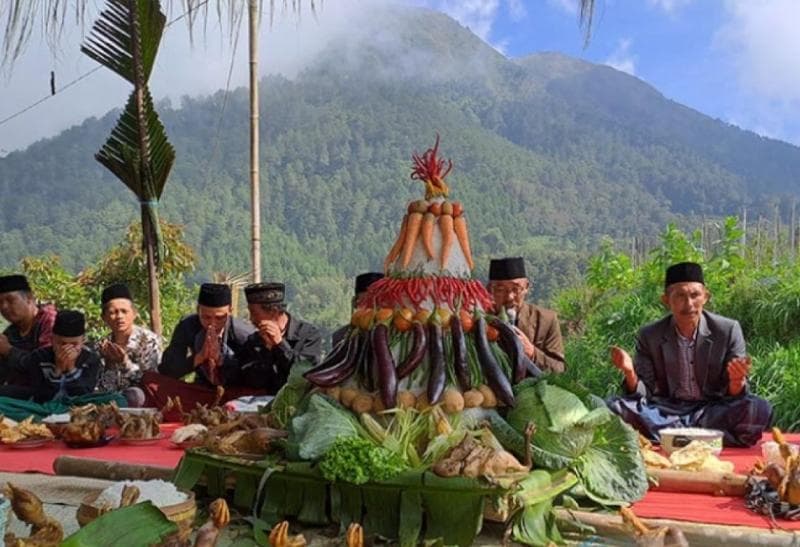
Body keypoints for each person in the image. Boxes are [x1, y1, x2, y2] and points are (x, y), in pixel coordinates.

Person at [607, 262, 773, 447]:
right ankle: (710, 438)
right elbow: (645, 392)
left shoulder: (727, 330)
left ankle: (671, 437)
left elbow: (734, 396)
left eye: (695, 295)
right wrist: (630, 373)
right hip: (666, 410)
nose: (689, 304)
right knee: (614, 407)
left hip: (710, 410)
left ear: (706, 297)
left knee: (757, 408)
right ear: (666, 299)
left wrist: (736, 382)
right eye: (680, 296)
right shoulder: (650, 335)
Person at [142, 283, 257, 414]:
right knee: (149, 380)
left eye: (220, 318)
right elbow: (167, 370)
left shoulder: (243, 334)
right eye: (206, 317)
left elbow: (252, 376)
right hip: (201, 392)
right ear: (198, 310)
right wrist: (198, 358)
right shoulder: (187, 326)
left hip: (233, 393)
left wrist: (221, 360)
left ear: (230, 311)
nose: (212, 323)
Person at [239, 282, 322, 394]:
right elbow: (252, 380)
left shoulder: (309, 335)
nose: (251, 319)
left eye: (254, 313)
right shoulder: (254, 341)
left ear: (273, 312)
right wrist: (267, 350)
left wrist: (280, 345)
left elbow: (304, 374)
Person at [0, 310, 100, 402]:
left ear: (83, 342)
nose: (67, 349)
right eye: (62, 344)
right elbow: (41, 397)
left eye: (74, 344)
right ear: (52, 340)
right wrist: (57, 370)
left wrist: (71, 368)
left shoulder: (91, 359)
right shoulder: (39, 357)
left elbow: (83, 396)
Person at [487, 257, 566, 373]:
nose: (509, 297)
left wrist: (532, 353)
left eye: (516, 289)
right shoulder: (478, 322)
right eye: (500, 289)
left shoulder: (546, 320)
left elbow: (559, 369)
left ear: (526, 288)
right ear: (490, 290)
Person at [93, 283, 162, 407]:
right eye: (113, 312)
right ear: (104, 318)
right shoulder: (101, 346)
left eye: (124, 311)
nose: (119, 317)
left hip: (142, 400)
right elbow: (101, 389)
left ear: (134, 313)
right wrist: (109, 365)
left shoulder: (148, 341)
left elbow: (150, 381)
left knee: (135, 395)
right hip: (112, 402)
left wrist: (125, 362)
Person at [0, 274, 57, 384]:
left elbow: (45, 366)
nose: (4, 307)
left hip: (51, 392)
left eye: (10, 300)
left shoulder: (49, 321)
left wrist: (9, 351)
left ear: (29, 298)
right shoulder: (10, 333)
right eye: (0, 303)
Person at [331, 272, 383, 348]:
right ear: (355, 303)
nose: (372, 308)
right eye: (365, 301)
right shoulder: (341, 337)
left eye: (377, 302)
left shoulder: (397, 334)